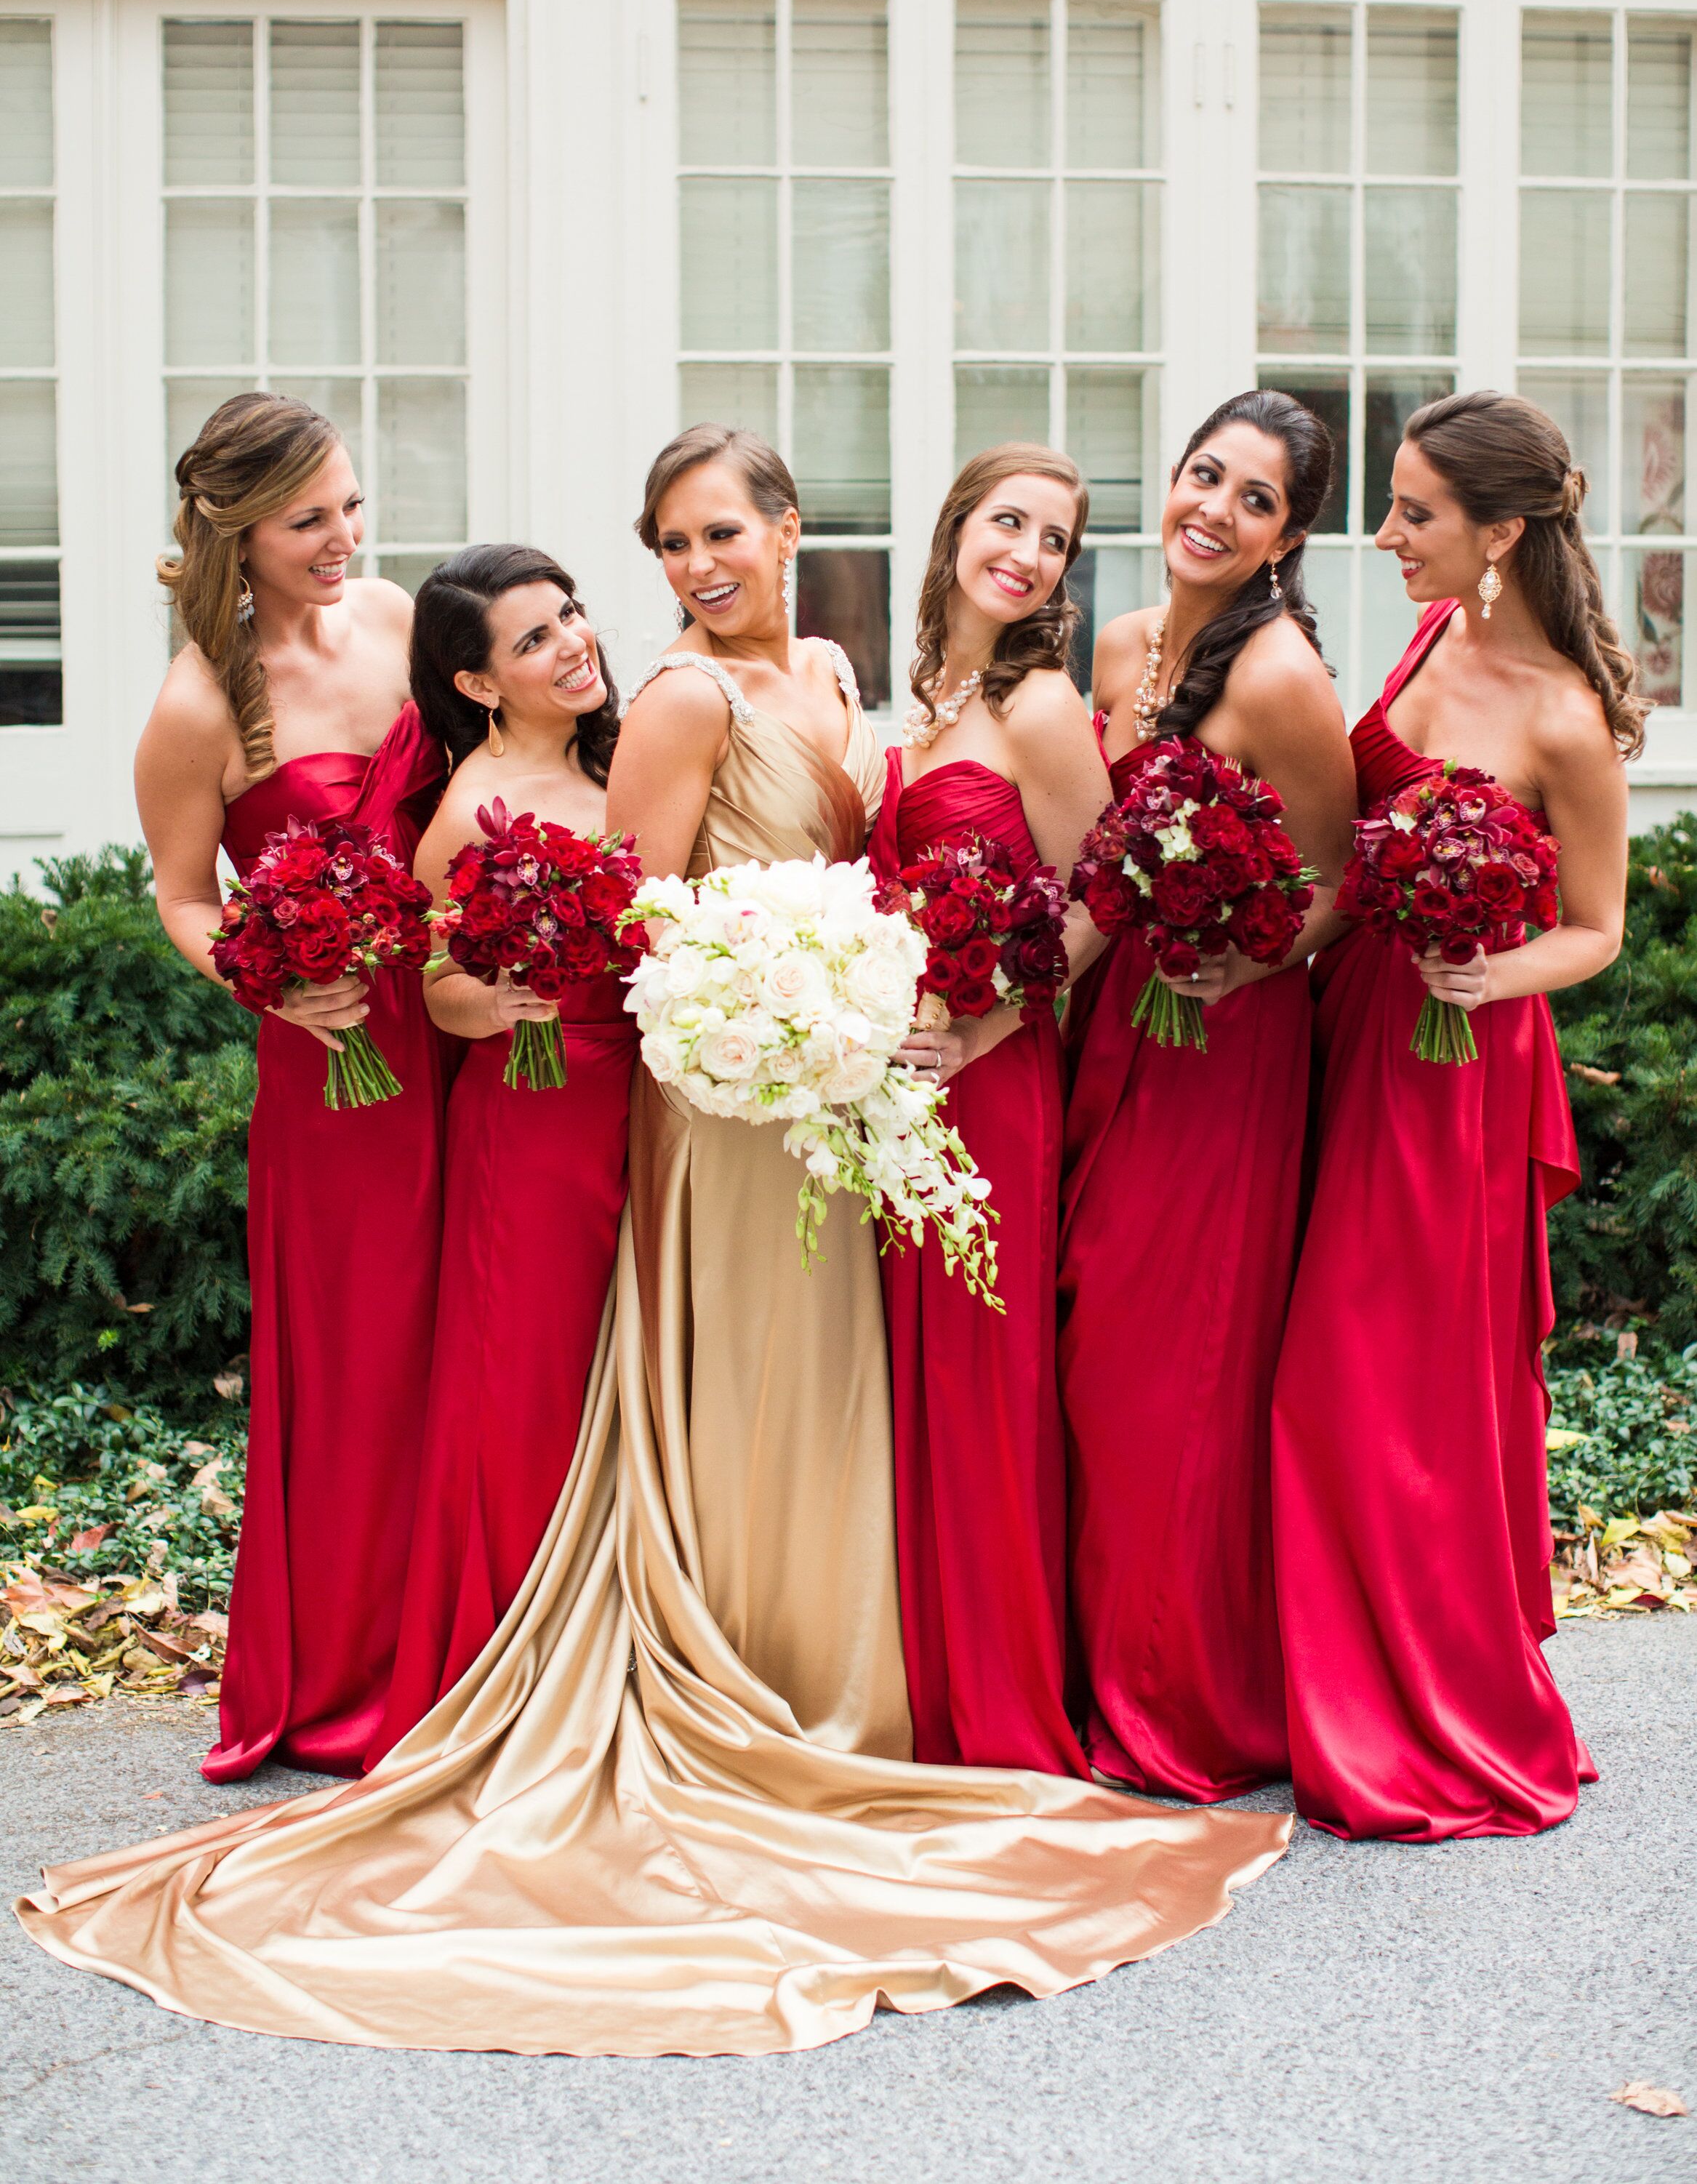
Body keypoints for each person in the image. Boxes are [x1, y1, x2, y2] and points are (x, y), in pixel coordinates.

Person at [21, 426, 1287, 2057]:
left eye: (721, 535)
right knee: (761, 1374)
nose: (696, 570)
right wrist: (631, 1006)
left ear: (786, 528)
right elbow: (639, 920)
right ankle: (763, 1675)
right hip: (737, 1087)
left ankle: (855, 1673)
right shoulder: (683, 698)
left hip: (841, 1081)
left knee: (850, 1378)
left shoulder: (834, 672)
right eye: (672, 544)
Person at [1272, 389, 1640, 1841]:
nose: (1385, 536)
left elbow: (1596, 928)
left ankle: (1416, 1696)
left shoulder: (1566, 717)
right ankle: (1320, 1679)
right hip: (1352, 1023)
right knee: (1335, 1367)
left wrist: (1488, 972)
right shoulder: (1428, 638)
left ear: (1500, 533)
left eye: (1414, 512)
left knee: (1371, 1381)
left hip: (1451, 1060)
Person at [133, 392, 451, 1782]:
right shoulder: (203, 700)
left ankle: (471, 1639)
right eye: (308, 519)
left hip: (458, 1016)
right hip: (338, 1058)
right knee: (367, 1349)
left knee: (469, 1330)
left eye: (351, 506)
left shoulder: (390, 618)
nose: (343, 538)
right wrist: (271, 982)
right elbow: (182, 895)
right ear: (235, 532)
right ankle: (346, 1669)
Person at [1058, 390, 1357, 1802]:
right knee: (1087, 1330)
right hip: (1115, 1020)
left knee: (1166, 1363)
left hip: (1219, 1045)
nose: (1213, 509)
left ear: (1288, 533)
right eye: (1202, 476)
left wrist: (1238, 952)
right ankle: (1090, 1661)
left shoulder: (1283, 674)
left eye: (1254, 498)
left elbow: (1332, 880)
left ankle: (1174, 1696)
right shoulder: (1122, 643)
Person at [364, 545, 635, 1766]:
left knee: (631, 1382)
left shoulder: (623, 753)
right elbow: (431, 979)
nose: (572, 642)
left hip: (646, 1099)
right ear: (478, 684)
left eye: (569, 615)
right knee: (530, 1380)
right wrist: (477, 1004)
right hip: (533, 1118)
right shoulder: (474, 806)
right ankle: (515, 1659)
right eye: (533, 640)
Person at [870, 444, 1110, 1774]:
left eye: (1057, 541)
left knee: (981, 1373)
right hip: (899, 1082)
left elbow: (1095, 898)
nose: (1025, 551)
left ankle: (998, 1700)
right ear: (958, 527)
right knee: (912, 1369)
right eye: (1008, 522)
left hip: (988, 1079)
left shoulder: (1037, 709)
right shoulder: (925, 701)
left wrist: (986, 1026)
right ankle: (917, 1678)